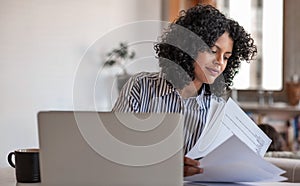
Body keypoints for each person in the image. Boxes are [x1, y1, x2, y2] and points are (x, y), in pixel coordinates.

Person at [113, 4, 257, 177]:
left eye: (226, 57)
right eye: (213, 51)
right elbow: (115, 149)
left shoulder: (217, 108)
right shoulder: (140, 87)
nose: (220, 62)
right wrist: (165, 167)